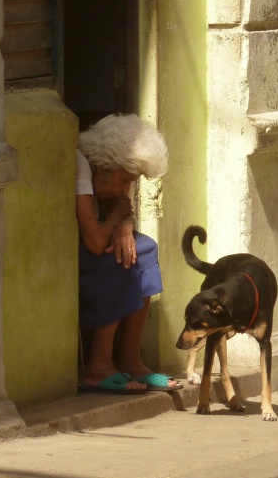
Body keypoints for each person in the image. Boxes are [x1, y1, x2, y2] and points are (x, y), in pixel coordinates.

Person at [75, 113, 181, 393]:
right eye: (124, 181)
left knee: (144, 248)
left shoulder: (106, 173)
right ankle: (98, 367)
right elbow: (96, 243)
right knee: (117, 260)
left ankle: (131, 361)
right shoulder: (81, 166)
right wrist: (118, 217)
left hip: (90, 249)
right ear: (104, 167)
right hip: (68, 257)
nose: (126, 190)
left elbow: (122, 212)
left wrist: (124, 224)